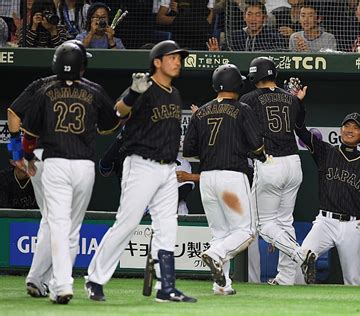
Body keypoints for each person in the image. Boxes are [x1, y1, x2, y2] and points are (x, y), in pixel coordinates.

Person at [85, 40, 196, 303]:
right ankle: (95, 279)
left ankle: (166, 287)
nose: (177, 61)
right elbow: (118, 111)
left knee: (168, 226)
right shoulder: (143, 87)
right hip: (142, 164)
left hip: (168, 169)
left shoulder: (174, 93)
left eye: (179, 58)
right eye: (172, 57)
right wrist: (133, 93)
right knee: (127, 223)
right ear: (157, 62)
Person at [17, 42, 119, 304]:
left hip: (55, 164)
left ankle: (61, 284)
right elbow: (111, 124)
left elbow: (29, 134)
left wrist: (27, 157)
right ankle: (56, 282)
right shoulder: (94, 90)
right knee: (72, 228)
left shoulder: (44, 91)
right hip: (84, 166)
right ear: (82, 66)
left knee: (57, 224)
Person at [7, 39, 94, 299]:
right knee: (58, 223)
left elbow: (12, 114)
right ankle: (41, 278)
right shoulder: (83, 90)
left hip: (38, 157)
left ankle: (39, 278)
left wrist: (16, 154)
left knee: (52, 219)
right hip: (58, 158)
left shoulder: (40, 85)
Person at [183, 63, 266, 295]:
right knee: (246, 232)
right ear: (237, 84)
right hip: (231, 177)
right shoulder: (242, 109)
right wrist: (262, 155)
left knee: (220, 234)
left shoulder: (200, 112)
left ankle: (221, 285)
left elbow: (189, 149)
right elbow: (257, 144)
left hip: (207, 178)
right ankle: (216, 254)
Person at [293, 97, 360, 285]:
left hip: (352, 226)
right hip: (325, 222)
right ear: (341, 130)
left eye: (355, 127)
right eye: (346, 126)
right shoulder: (325, 151)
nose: (349, 130)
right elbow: (301, 131)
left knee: (353, 279)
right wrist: (298, 103)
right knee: (301, 258)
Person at [239, 57, 316, 286]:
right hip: (293, 163)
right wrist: (298, 101)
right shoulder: (291, 99)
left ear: (255, 75)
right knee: (284, 221)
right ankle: (285, 277)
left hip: (269, 162)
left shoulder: (248, 99)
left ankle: (299, 253)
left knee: (263, 224)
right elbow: (300, 124)